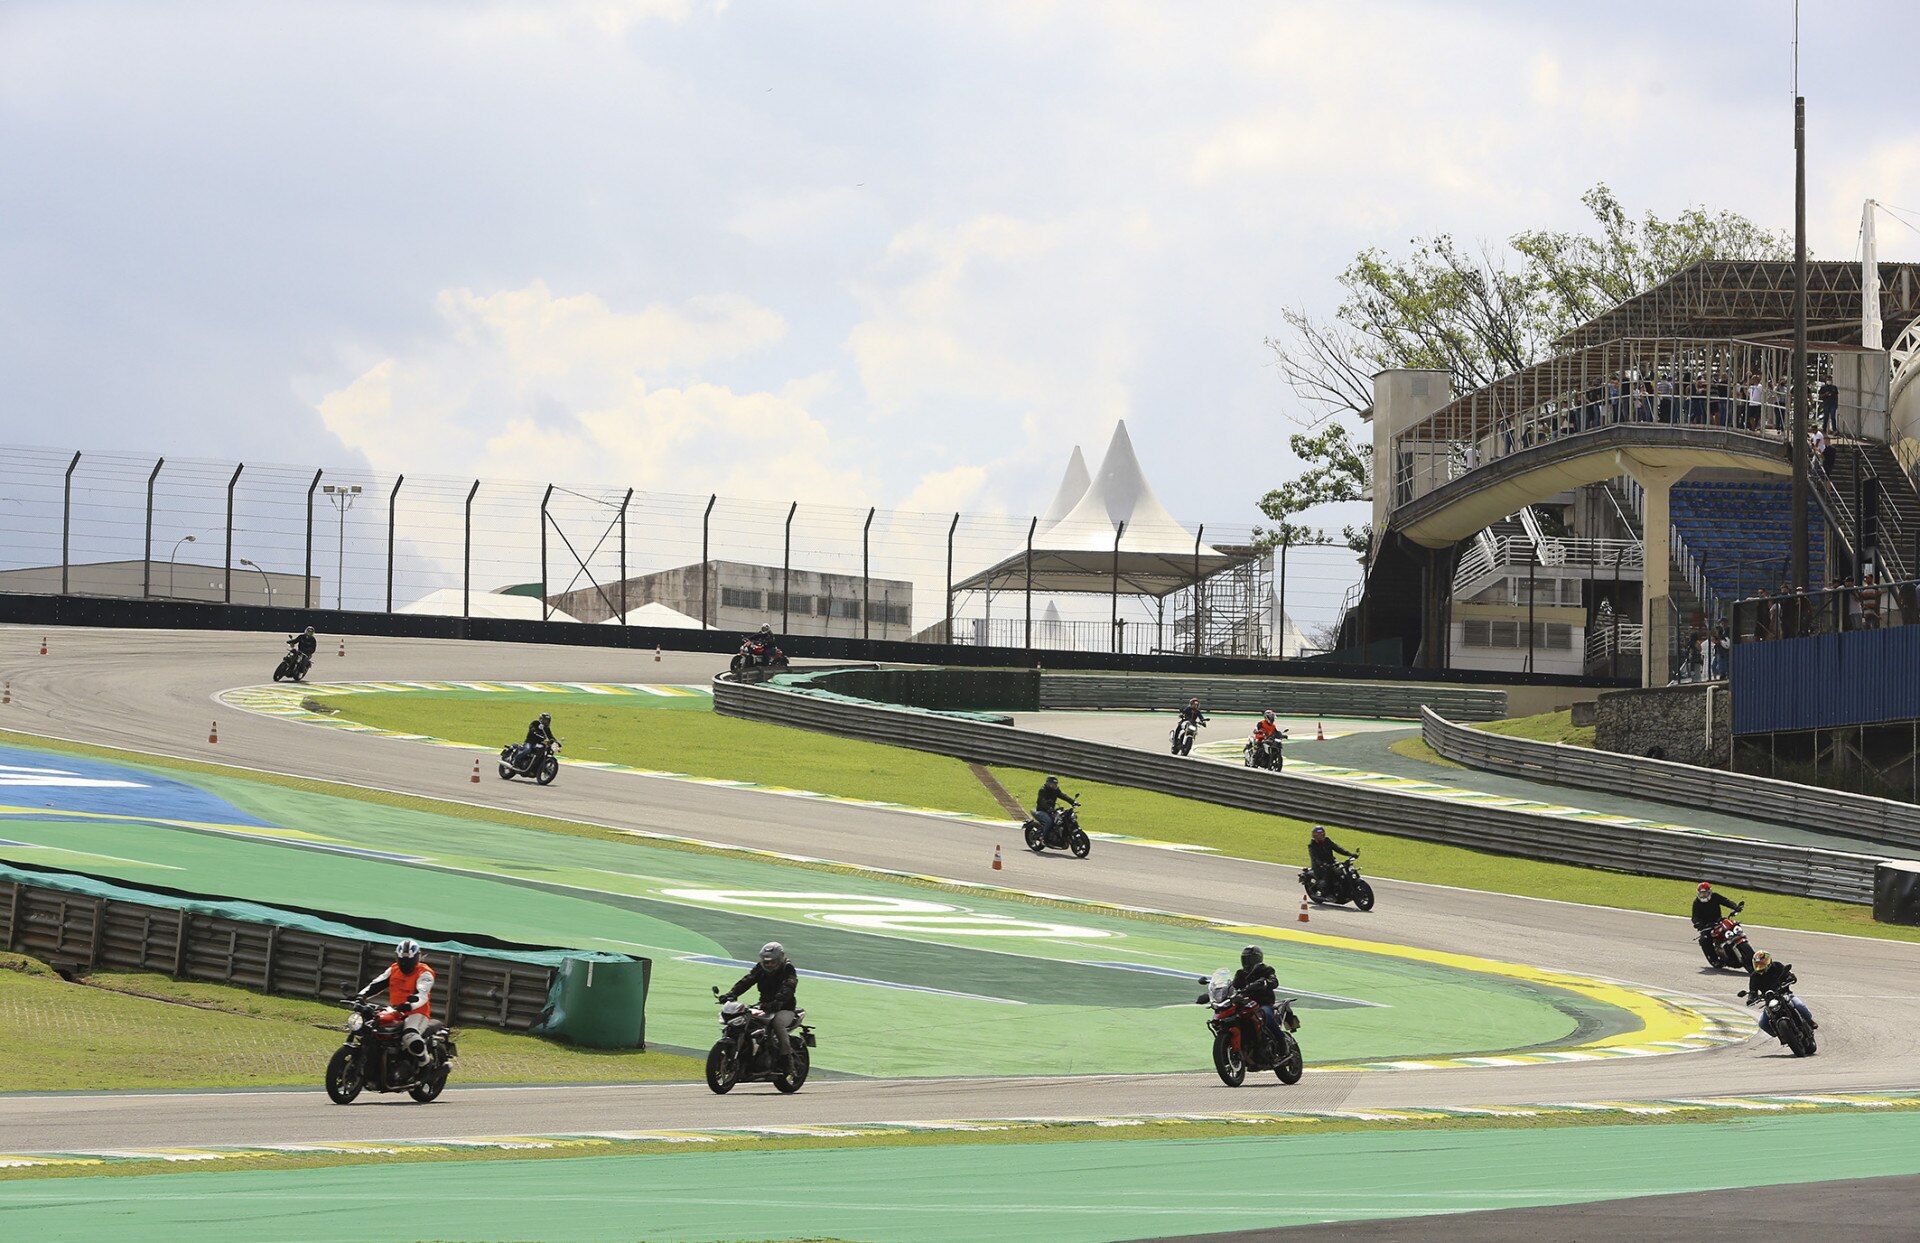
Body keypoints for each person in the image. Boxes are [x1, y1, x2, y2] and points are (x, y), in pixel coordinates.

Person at [356, 938, 436, 1067]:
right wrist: (361, 995)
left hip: (417, 1012)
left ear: (416, 958)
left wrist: (410, 1005)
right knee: (375, 1027)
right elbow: (377, 984)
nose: (404, 963)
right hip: (395, 1010)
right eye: (402, 960)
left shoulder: (425, 973)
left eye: (408, 960)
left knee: (410, 1036)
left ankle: (425, 1062)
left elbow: (422, 994)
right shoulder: (393, 969)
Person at [723, 942, 800, 1071]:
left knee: (777, 1023)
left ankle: (787, 1059)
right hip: (764, 1006)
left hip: (785, 1008)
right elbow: (748, 980)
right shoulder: (760, 967)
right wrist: (732, 993)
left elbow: (789, 985)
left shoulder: (788, 968)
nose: (768, 964)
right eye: (766, 962)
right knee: (746, 1021)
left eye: (772, 962)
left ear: (780, 959)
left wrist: (779, 1000)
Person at [1230, 945, 1287, 1055]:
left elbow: (1274, 981)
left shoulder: (1265, 969)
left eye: (1250, 959)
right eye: (1245, 959)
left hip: (1263, 1003)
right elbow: (1232, 986)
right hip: (1245, 1004)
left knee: (1265, 1014)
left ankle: (1282, 1040)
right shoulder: (1240, 973)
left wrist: (1267, 982)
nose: (1247, 962)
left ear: (1257, 959)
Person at [1743, 950, 1817, 1033]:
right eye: (1758, 964)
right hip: (1770, 1001)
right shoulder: (1754, 976)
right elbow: (1752, 991)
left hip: (1784, 994)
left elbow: (1788, 975)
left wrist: (1790, 978)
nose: (1760, 966)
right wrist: (1751, 998)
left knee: (1799, 1005)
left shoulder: (1777, 966)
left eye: (1762, 963)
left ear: (1768, 961)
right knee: (1763, 1024)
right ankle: (1780, 1034)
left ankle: (1810, 1021)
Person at [1307, 826, 1356, 896]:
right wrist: (1322, 864)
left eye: (1321, 834)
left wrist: (1349, 854)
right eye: (1317, 835)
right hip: (1319, 867)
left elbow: (1337, 848)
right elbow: (1314, 857)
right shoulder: (1312, 845)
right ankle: (1329, 893)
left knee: (1342, 872)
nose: (1320, 836)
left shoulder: (1327, 841)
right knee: (1329, 874)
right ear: (1314, 835)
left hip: (1331, 863)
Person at [1033, 776, 1077, 843]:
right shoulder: (1043, 790)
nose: (1054, 785)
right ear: (1048, 783)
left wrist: (1073, 802)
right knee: (1049, 821)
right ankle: (1043, 838)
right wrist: (1049, 808)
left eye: (1055, 784)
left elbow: (1063, 796)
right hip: (1041, 811)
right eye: (1053, 784)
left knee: (1061, 819)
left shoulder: (1055, 790)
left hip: (1051, 811)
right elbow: (1041, 801)